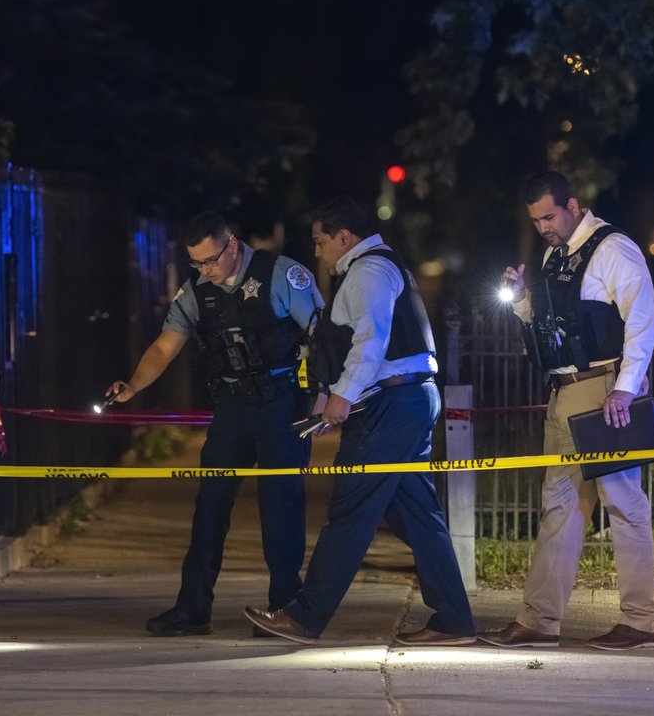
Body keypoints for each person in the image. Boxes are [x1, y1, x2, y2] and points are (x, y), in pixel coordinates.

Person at [243, 196, 475, 646]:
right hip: (406, 399)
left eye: (320, 241)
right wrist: (332, 394)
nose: (317, 251)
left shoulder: (368, 270)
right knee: (418, 516)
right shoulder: (375, 267)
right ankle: (454, 619)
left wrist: (342, 399)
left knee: (350, 509)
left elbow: (371, 340)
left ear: (344, 237)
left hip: (392, 403)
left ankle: (305, 618)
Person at [106, 211, 322, 637]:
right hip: (231, 410)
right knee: (209, 508)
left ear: (232, 245)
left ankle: (284, 608)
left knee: (281, 508)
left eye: (210, 260)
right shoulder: (196, 292)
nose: (205, 270)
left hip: (283, 406)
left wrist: (325, 396)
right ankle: (192, 608)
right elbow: (165, 346)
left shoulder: (281, 275)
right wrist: (132, 385)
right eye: (197, 264)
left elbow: (322, 333)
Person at [479, 170, 654, 652]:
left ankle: (641, 621)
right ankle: (539, 620)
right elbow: (546, 323)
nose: (543, 227)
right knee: (558, 506)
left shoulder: (612, 248)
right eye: (536, 220)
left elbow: (642, 320)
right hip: (564, 391)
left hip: (603, 390)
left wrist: (624, 389)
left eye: (549, 216)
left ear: (573, 205)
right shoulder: (554, 255)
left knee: (623, 502)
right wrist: (520, 300)